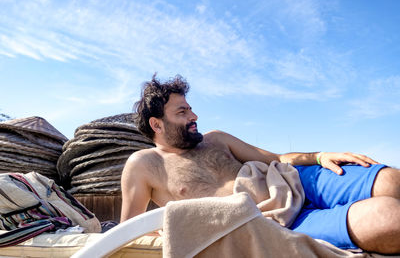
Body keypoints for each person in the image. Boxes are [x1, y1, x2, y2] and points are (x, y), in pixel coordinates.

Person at [120, 75, 400, 254]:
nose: (194, 115)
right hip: (277, 223)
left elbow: (275, 158)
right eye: (182, 112)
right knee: (389, 219)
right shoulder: (144, 165)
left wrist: (319, 156)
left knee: (391, 180)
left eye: (190, 107)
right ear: (157, 124)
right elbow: (129, 229)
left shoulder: (215, 139)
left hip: (294, 180)